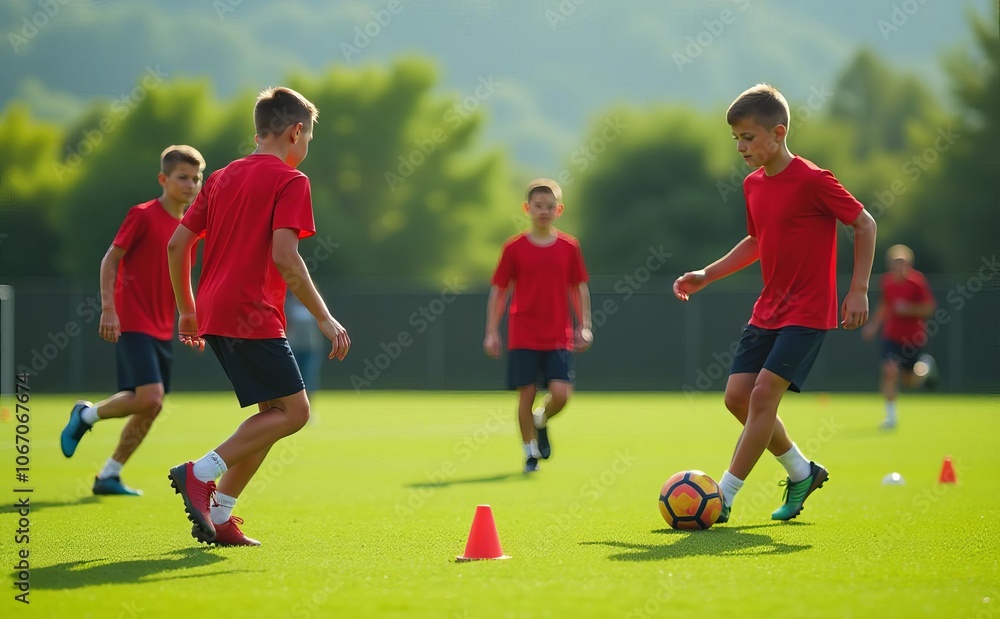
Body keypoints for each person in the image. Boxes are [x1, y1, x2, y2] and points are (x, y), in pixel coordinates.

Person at [673, 84, 877, 523]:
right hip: (769, 309)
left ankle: (723, 497)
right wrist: (708, 273)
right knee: (736, 398)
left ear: (778, 133)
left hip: (808, 312)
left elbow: (864, 223)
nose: (741, 147)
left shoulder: (814, 180)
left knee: (764, 395)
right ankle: (802, 471)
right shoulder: (752, 186)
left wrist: (858, 288)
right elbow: (755, 241)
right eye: (737, 140)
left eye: (748, 137)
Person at [166, 86, 351, 547]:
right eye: (308, 139)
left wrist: (187, 310)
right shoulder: (292, 180)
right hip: (252, 312)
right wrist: (325, 317)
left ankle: (220, 516)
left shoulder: (222, 177)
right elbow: (286, 258)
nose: (306, 148)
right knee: (295, 412)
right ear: (295, 132)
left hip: (214, 310)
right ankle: (199, 473)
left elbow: (177, 245)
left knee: (272, 413)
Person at [60, 145, 206, 496]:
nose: (190, 184)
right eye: (182, 177)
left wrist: (194, 321)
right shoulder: (142, 215)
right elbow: (111, 260)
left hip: (161, 327)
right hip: (132, 320)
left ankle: (109, 474)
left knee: (150, 407)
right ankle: (85, 416)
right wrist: (109, 308)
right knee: (150, 397)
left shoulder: (191, 230)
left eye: (196, 178)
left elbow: (181, 280)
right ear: (163, 179)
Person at [484, 178, 592, 474]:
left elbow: (577, 288)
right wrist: (492, 332)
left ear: (559, 209)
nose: (543, 211)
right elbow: (500, 290)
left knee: (561, 394)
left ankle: (541, 419)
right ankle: (529, 452)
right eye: (537, 206)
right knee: (526, 393)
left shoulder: (569, 247)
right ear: (526, 208)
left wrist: (585, 325)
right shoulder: (513, 248)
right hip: (523, 334)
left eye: (549, 206)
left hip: (559, 334)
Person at [861, 244, 937, 429]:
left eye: (902, 262)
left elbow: (929, 308)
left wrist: (908, 308)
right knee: (889, 371)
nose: (899, 266)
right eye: (895, 262)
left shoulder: (918, 282)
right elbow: (885, 305)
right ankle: (891, 417)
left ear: (909, 263)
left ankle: (926, 366)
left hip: (913, 338)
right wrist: (872, 325)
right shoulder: (886, 282)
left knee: (909, 382)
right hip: (891, 336)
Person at [285, 293, 324, 398]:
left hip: (311, 348)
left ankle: (309, 408)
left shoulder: (315, 305)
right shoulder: (288, 305)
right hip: (293, 348)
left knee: (309, 378)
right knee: (294, 380)